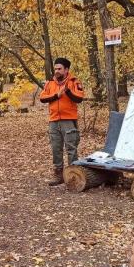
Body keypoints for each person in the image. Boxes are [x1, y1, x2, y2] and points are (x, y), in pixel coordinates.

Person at [40, 57, 85, 186]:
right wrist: (56, 95)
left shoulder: (74, 82)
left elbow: (79, 98)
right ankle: (58, 175)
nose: (57, 71)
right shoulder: (50, 83)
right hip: (54, 120)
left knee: (71, 148)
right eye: (55, 68)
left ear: (66, 69)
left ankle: (73, 176)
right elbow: (42, 98)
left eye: (59, 69)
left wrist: (67, 91)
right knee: (56, 148)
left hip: (68, 120)